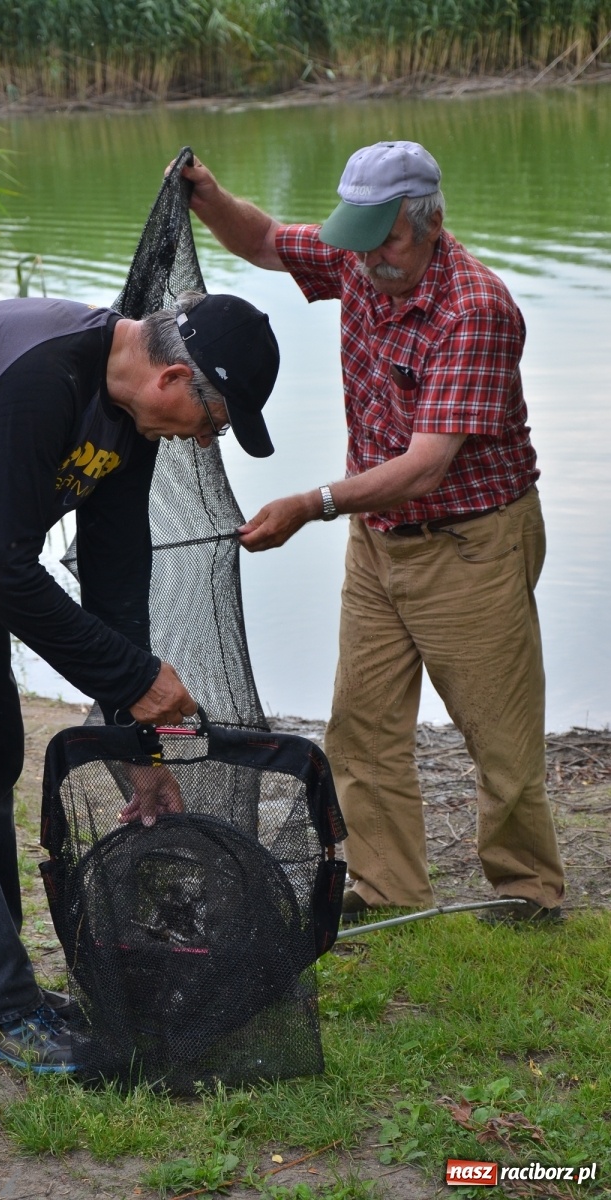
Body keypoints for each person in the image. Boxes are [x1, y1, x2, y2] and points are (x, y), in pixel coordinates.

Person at [0, 289, 280, 1071]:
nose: (206, 443)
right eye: (215, 423)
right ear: (174, 380)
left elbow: (114, 582)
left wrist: (140, 747)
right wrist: (136, 678)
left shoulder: (133, 420)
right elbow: (2, 569)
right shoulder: (42, 376)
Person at [178, 140, 565, 925]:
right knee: (361, 727)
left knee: (499, 738)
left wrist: (309, 504)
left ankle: (527, 891)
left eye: (388, 239)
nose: (371, 260)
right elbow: (261, 241)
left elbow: (426, 466)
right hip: (379, 538)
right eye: (361, 238)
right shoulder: (356, 255)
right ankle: (386, 887)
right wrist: (208, 196)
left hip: (472, 541)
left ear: (430, 221)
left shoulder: (473, 310)